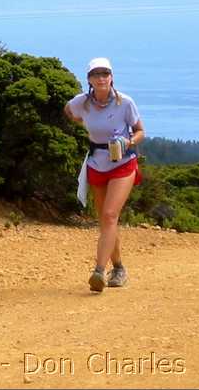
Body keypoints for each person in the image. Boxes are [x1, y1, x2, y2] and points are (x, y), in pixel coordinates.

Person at [63, 57, 145, 293]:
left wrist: (128, 141)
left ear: (111, 77)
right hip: (96, 163)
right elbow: (69, 111)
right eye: (96, 74)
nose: (101, 78)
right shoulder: (82, 103)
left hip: (123, 163)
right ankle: (118, 268)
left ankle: (99, 272)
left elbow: (141, 130)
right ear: (88, 79)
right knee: (106, 221)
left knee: (109, 215)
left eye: (105, 74)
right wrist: (83, 124)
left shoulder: (125, 103)